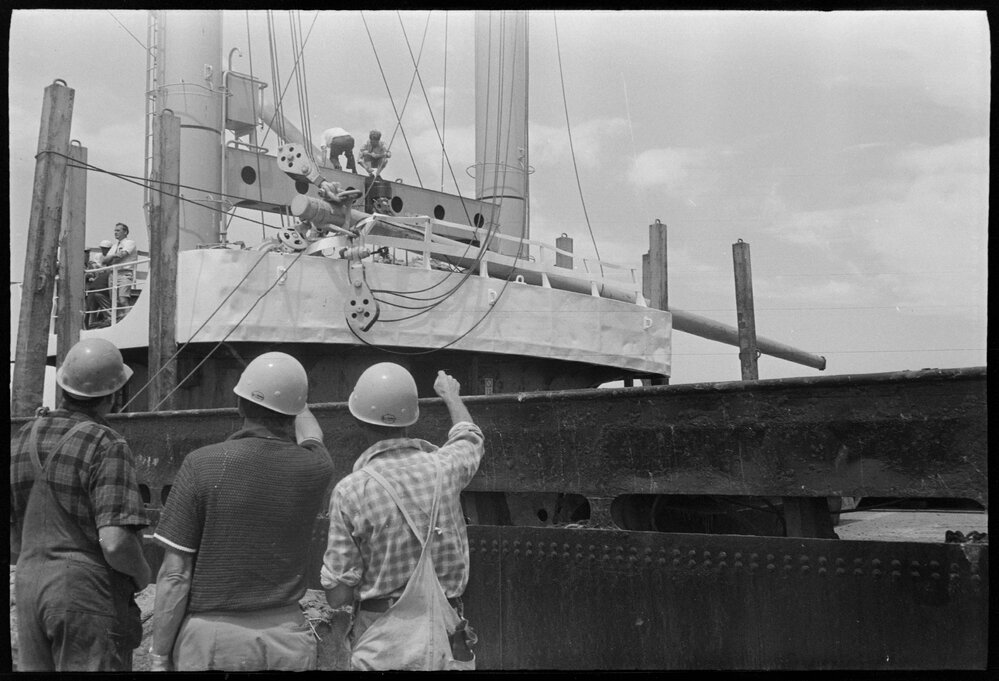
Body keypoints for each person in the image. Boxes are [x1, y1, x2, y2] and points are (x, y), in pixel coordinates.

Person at [149, 352, 335, 672]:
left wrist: (160, 655)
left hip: (214, 640)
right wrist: (295, 399)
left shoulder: (201, 464)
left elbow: (175, 575)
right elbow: (312, 435)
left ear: (239, 405)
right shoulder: (317, 467)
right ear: (294, 412)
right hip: (286, 639)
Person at [321, 363, 484, 670]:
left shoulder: (351, 490)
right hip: (447, 634)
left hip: (381, 640)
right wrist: (451, 395)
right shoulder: (446, 468)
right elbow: (469, 437)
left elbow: (337, 595)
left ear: (358, 420)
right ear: (413, 417)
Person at [10, 338, 151, 671]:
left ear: (63, 385)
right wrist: (142, 574)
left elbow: (14, 538)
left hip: (29, 589)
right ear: (114, 394)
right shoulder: (106, 442)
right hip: (84, 593)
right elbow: (115, 543)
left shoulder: (22, 436)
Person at [100, 223, 137, 321]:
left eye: (118, 230)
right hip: (113, 274)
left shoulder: (130, 243)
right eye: (115, 230)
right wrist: (114, 256)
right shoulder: (114, 246)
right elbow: (104, 261)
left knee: (123, 299)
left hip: (124, 273)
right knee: (114, 301)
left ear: (125, 232)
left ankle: (129, 320)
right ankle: (117, 321)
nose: (115, 232)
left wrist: (111, 258)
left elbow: (122, 255)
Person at [84, 240, 113, 329]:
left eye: (87, 253)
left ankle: (94, 324)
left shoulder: (91, 264)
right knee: (88, 309)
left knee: (95, 304)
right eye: (85, 252)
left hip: (98, 287)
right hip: (88, 289)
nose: (87, 254)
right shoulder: (97, 258)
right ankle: (88, 326)